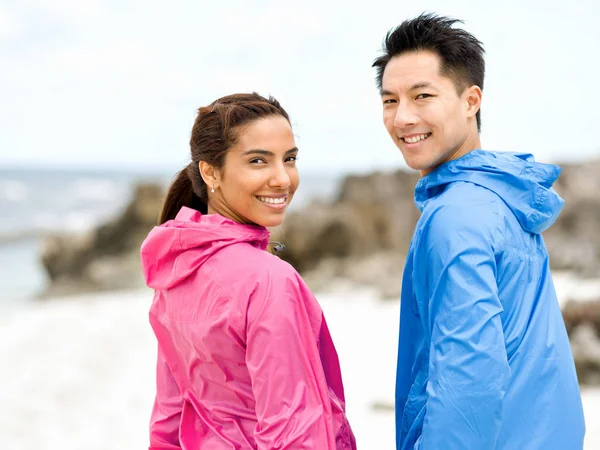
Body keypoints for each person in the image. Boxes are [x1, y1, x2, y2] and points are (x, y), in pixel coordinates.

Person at [372, 13, 585, 450]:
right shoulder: (501, 198)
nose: (402, 118)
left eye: (422, 96)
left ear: (471, 101)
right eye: (390, 100)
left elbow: (467, 381)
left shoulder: (456, 217)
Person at [140, 92, 356, 449]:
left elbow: (168, 420)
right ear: (210, 172)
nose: (282, 179)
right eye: (258, 161)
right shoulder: (269, 280)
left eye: (289, 159)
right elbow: (294, 431)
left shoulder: (175, 270)